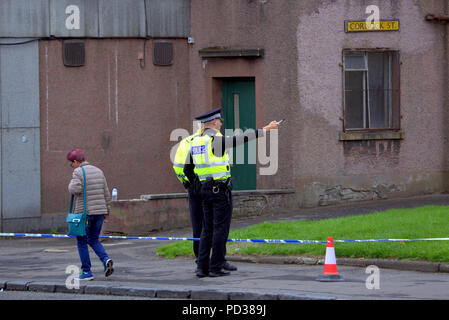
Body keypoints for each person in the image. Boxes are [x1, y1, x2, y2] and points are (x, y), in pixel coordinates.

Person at [189, 108, 280, 277]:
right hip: (219, 190)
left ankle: (202, 267)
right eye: (220, 121)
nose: (221, 124)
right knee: (220, 229)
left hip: (204, 190)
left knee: (206, 229)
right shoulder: (215, 139)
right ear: (215, 123)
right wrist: (266, 129)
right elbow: (241, 139)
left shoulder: (196, 141)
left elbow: (189, 167)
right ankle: (216, 267)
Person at [173, 130, 237, 273]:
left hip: (197, 186)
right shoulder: (210, 140)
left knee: (204, 227)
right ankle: (215, 263)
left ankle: (203, 263)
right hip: (206, 186)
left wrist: (188, 184)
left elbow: (180, 166)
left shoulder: (189, 142)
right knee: (215, 226)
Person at [67, 148, 114, 281]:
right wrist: (106, 212)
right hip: (100, 212)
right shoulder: (99, 171)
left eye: (71, 163)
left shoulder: (78, 172)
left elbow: (75, 189)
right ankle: (106, 259)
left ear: (76, 161)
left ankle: (86, 272)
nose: (72, 166)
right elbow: (107, 194)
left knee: (81, 241)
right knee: (93, 239)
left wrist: (70, 183)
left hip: (85, 214)